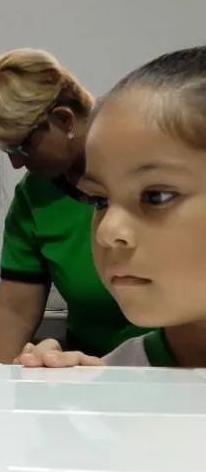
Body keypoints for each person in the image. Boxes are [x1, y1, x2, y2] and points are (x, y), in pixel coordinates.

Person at [18, 47, 206, 370]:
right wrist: (73, 398)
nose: (106, 232)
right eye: (100, 200)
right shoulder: (118, 375)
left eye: (156, 196)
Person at [0, 48, 143, 361]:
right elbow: (14, 309)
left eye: (22, 146)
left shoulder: (149, 166)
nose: (17, 163)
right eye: (9, 152)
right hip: (92, 368)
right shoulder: (35, 196)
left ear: (64, 119)